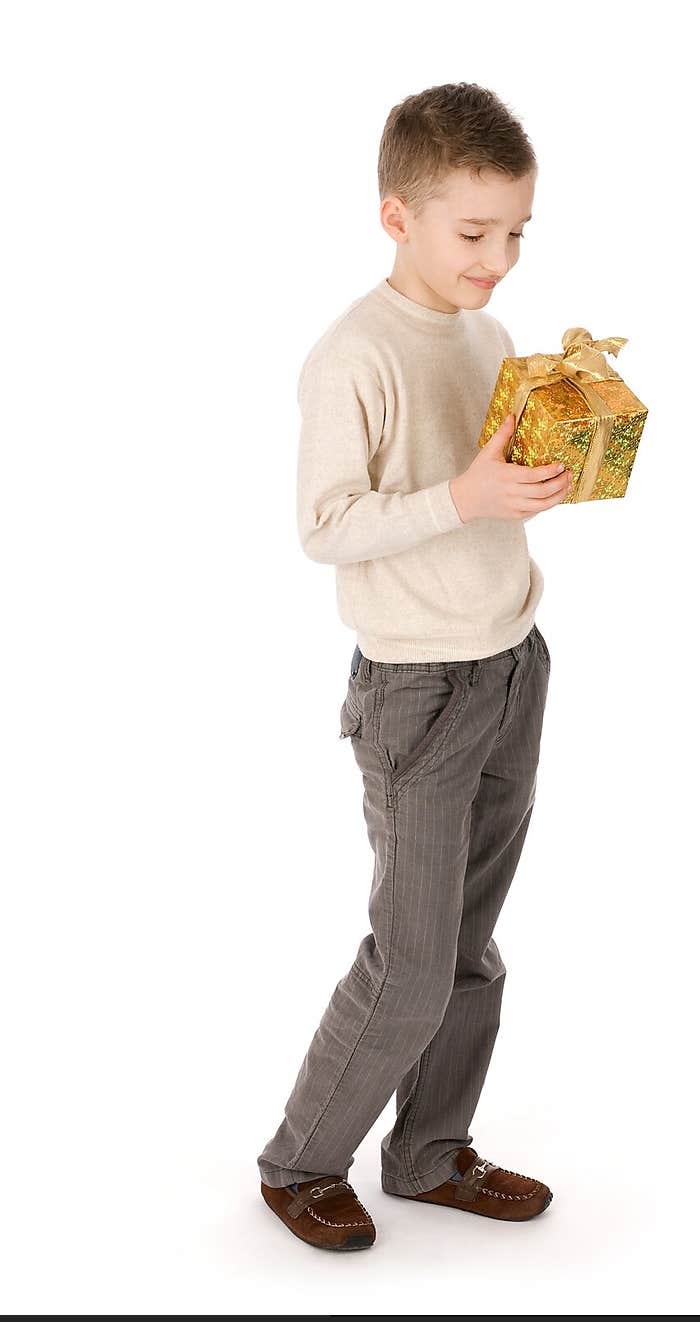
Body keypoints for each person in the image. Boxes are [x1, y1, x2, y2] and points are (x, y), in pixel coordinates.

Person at [258, 82, 571, 1251]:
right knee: (411, 956)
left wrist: (536, 479)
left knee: (470, 947)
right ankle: (298, 1161)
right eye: (475, 232)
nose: (500, 259)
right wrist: (466, 495)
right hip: (419, 688)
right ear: (398, 215)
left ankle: (430, 1151)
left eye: (517, 233)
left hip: (509, 663)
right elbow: (328, 523)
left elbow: (472, 497)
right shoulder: (352, 354)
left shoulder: (485, 336)